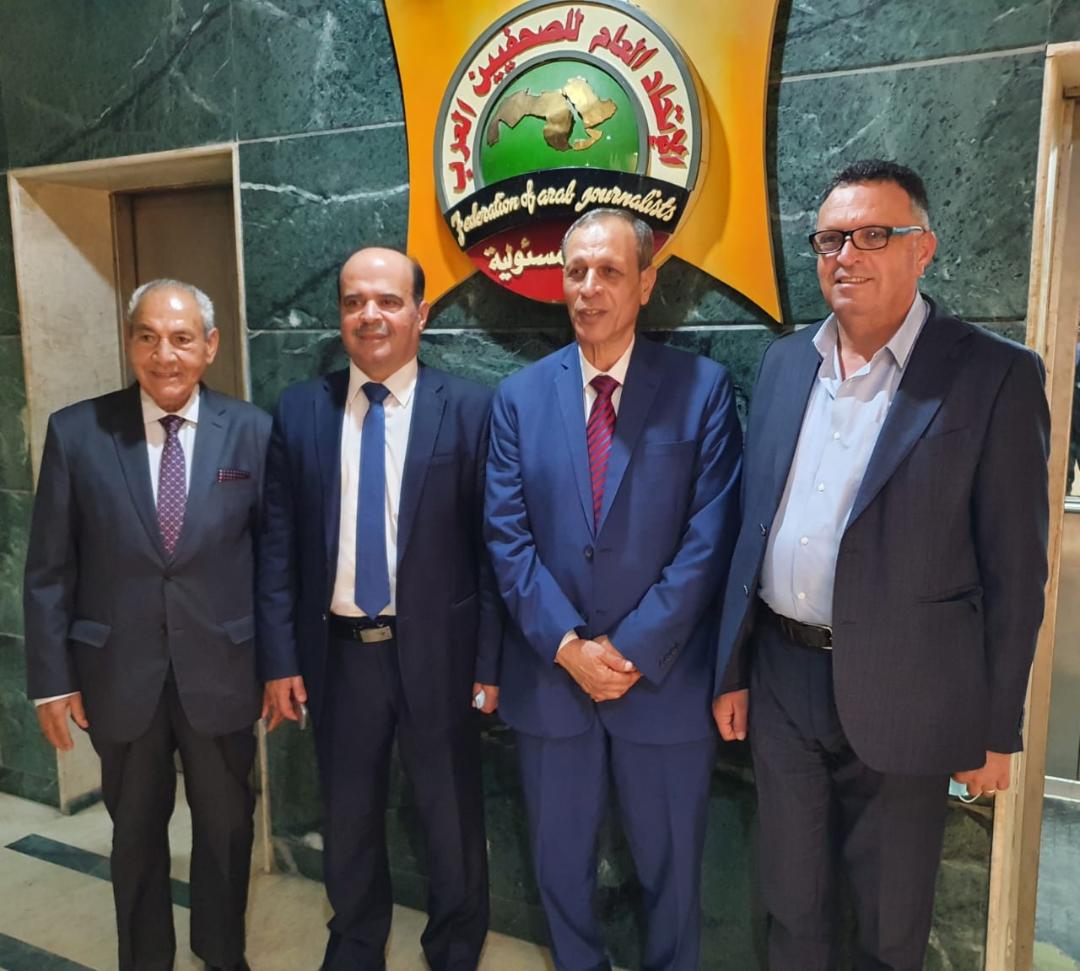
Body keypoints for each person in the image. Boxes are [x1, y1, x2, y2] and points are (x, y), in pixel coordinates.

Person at [712, 159, 1050, 971]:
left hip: (911, 686)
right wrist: (733, 668)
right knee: (791, 904)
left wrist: (995, 728)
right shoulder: (785, 363)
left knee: (889, 925)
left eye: (873, 235)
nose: (847, 255)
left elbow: (1015, 571)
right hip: (784, 678)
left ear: (922, 248)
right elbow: (751, 530)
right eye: (831, 239)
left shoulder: (993, 375)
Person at [485, 208, 743, 971]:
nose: (589, 288)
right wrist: (568, 646)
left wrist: (627, 649)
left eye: (609, 271)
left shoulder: (701, 390)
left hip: (660, 682)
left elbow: (710, 536)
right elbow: (506, 537)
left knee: (674, 877)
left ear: (646, 283)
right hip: (551, 681)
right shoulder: (519, 398)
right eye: (576, 271)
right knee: (559, 870)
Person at [257, 247, 501, 971]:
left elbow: (494, 550)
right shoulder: (301, 410)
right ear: (340, 314)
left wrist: (490, 662)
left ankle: (454, 948)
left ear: (420, 313)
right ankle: (356, 944)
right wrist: (280, 659)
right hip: (338, 655)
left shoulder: (471, 409)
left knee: (450, 818)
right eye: (354, 301)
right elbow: (277, 547)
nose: (370, 315)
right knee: (349, 816)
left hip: (441, 654)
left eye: (388, 301)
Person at [24, 279, 269, 971]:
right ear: (129, 343)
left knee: (227, 828)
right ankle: (145, 959)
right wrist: (52, 681)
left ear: (210, 346)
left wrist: (281, 666)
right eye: (148, 337)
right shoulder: (77, 432)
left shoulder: (253, 431)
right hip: (117, 672)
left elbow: (274, 561)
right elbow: (48, 568)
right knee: (134, 834)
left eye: (183, 339)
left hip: (223, 668)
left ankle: (221, 953)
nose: (166, 355)